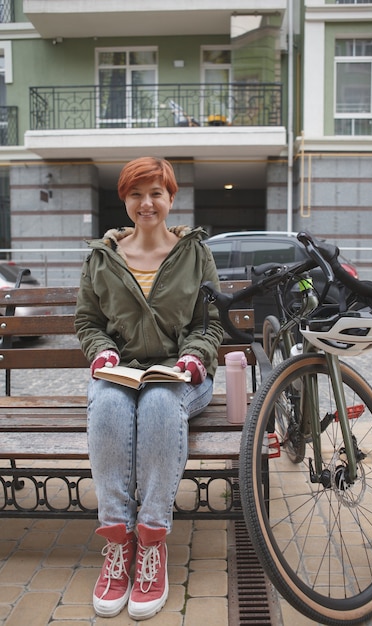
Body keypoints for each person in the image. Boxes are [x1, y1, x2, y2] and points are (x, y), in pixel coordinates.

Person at [74, 157, 223, 620]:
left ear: (171, 198)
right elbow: (87, 322)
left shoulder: (195, 252)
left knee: (159, 402)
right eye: (137, 193)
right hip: (120, 373)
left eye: (156, 192)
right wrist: (102, 353)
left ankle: (152, 544)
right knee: (110, 408)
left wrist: (194, 358)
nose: (146, 202)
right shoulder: (103, 258)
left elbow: (209, 323)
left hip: (179, 378)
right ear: (125, 199)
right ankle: (119, 547)